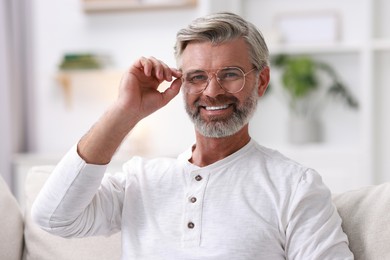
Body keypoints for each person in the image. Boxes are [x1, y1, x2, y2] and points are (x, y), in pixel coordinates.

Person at [32, 12, 353, 259]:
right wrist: (125, 110)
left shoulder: (294, 186)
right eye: (197, 77)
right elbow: (53, 218)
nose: (212, 92)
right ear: (181, 83)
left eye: (230, 74)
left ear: (261, 80)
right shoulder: (140, 180)